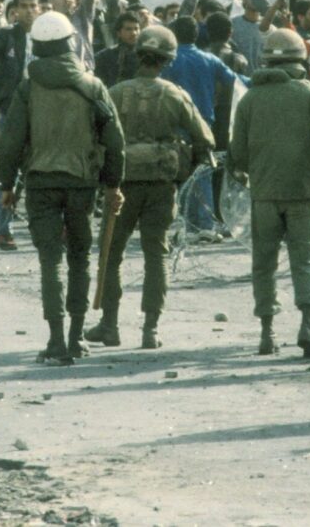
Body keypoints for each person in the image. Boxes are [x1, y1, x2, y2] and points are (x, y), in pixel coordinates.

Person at [0, 11, 125, 365]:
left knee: (49, 260)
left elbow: (10, 143)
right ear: (71, 43)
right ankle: (77, 337)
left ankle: (55, 340)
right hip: (82, 184)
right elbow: (115, 142)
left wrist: (7, 185)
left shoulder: (28, 88)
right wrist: (113, 185)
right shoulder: (92, 86)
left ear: (36, 48)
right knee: (80, 259)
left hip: (40, 183)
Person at [86, 26, 214, 350]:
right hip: (161, 184)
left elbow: (93, 134)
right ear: (167, 61)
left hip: (121, 184)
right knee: (156, 253)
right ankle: (150, 329)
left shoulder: (114, 92)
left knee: (110, 253)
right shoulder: (174, 94)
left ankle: (109, 325)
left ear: (137, 54)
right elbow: (205, 138)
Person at [229, 28, 310, 358]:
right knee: (306, 259)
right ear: (299, 59)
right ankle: (308, 326)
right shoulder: (307, 92)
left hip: (264, 193)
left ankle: (267, 331)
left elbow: (238, 153)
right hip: (304, 189)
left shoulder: (249, 98)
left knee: (264, 263)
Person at [0, 0, 41, 250]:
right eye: (23, 6)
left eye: (32, 5)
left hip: (39, 114)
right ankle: (3, 230)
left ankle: (40, 227)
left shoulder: (45, 38)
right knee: (8, 172)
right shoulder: (6, 36)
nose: (28, 10)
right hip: (10, 115)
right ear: (14, 10)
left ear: (38, 9)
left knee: (38, 171)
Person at [95, 12, 141, 88]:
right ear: (118, 33)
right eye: (128, 29)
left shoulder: (146, 56)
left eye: (136, 29)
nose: (134, 33)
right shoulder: (105, 57)